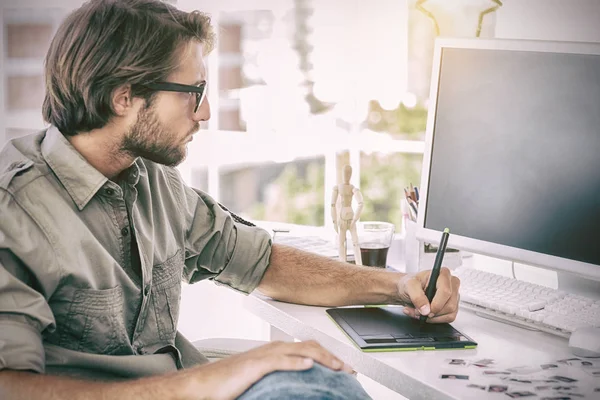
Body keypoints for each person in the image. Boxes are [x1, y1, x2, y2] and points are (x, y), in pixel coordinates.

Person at [0, 0, 461, 399]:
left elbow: (261, 263)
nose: (204, 112)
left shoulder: (154, 180)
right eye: (193, 92)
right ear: (125, 98)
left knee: (315, 372)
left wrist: (398, 285)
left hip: (183, 383)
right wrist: (203, 383)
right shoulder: (15, 210)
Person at [331, 164, 363, 265]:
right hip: (343, 218)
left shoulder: (352, 188)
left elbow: (361, 203)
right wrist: (334, 221)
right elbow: (332, 204)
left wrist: (355, 219)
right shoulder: (338, 188)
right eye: (346, 173)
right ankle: (343, 265)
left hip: (349, 217)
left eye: (349, 173)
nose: (347, 175)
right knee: (342, 243)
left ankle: (359, 265)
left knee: (354, 243)